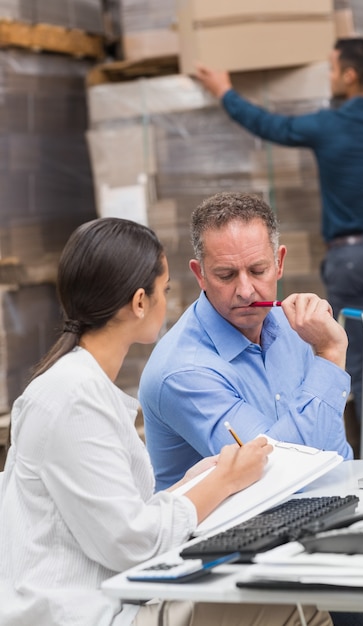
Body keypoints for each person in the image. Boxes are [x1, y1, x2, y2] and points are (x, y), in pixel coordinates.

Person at [0, 216, 333, 626]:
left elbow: (118, 515)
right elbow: (132, 542)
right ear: (140, 302)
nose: (245, 290)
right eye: (166, 290)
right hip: (90, 614)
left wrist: (197, 478)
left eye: (258, 270)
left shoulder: (78, 387)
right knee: (302, 608)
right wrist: (223, 481)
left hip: (112, 597)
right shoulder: (73, 398)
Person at [194, 37, 363, 431]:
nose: (329, 77)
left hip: (352, 260)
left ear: (349, 75)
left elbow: (270, 125)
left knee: (361, 365)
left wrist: (224, 91)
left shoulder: (329, 125)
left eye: (331, 69)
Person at [140, 191, 353, 493]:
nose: (245, 291)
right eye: (226, 275)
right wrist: (329, 356)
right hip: (229, 531)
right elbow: (276, 471)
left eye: (257, 271)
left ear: (279, 263)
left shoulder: (295, 326)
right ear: (199, 275)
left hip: (316, 504)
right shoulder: (182, 371)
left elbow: (334, 451)